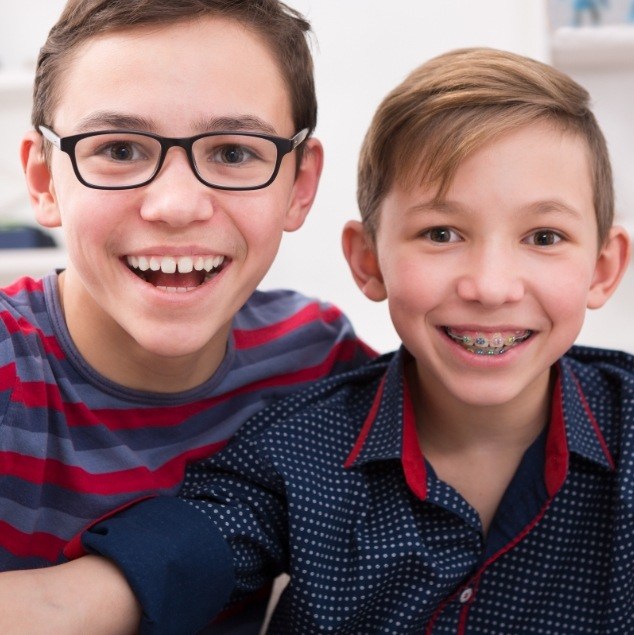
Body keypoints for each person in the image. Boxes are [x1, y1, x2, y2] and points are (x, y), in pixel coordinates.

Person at [10, 46, 634, 633]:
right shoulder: (294, 447)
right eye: (441, 234)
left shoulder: (626, 425)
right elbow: (126, 579)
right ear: (367, 262)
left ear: (604, 268)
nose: (492, 287)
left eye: (544, 238)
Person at [0, 0, 375, 632]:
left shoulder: (315, 357)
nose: (176, 205)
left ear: (300, 184)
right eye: (118, 148)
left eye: (233, 153)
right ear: (44, 180)